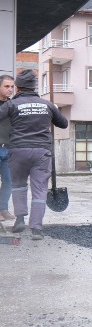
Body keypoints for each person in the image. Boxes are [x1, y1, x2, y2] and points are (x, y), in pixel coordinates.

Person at [0, 70, 69, 240]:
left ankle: (20, 219)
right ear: (34, 87)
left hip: (18, 151)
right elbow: (64, 124)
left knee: (18, 185)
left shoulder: (11, 105)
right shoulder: (47, 105)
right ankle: (36, 228)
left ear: (18, 88)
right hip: (41, 152)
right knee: (39, 190)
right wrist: (54, 110)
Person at [0, 73, 15, 225]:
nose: (10, 89)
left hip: (9, 149)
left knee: (8, 181)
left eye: (12, 86)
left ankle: (3, 209)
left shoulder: (13, 105)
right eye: (6, 86)